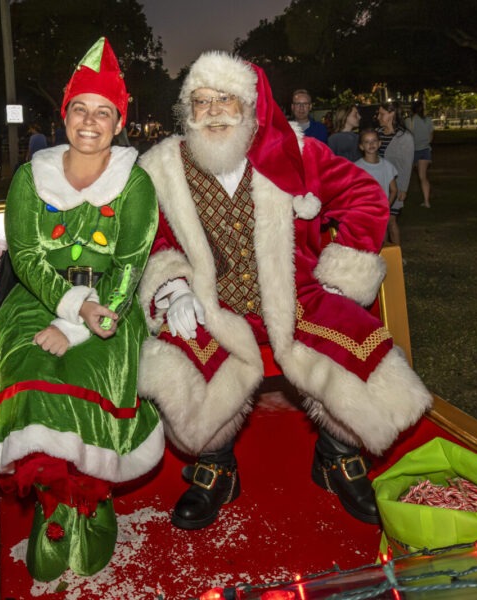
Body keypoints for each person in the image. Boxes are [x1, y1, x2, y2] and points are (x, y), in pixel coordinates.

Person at [137, 51, 430, 530]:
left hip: (296, 297)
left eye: (224, 99)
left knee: (357, 338)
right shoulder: (162, 169)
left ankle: (336, 456)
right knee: (179, 357)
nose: (212, 111)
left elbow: (364, 197)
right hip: (214, 304)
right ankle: (216, 468)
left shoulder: (295, 152)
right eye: (201, 101)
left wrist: (342, 270)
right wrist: (173, 286)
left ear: (249, 106)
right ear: (186, 113)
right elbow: (152, 237)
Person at [0, 37, 162, 583]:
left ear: (118, 121)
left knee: (88, 372)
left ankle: (92, 499)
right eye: (80, 109)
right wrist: (66, 309)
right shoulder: (31, 177)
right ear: (65, 116)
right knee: (33, 371)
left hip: (112, 305)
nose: (90, 121)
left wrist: (85, 324)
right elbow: (29, 257)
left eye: (103, 112)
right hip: (35, 299)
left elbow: (128, 266)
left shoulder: (136, 182)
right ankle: (54, 507)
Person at [355, 130, 400, 245]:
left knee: (382, 239)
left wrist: (386, 206)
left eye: (374, 141)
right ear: (361, 146)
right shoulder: (356, 167)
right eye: (367, 142)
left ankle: (384, 260)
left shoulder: (387, 166)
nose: (371, 144)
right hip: (363, 212)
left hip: (380, 213)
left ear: (380, 143)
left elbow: (394, 190)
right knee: (366, 240)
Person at [376, 101, 414, 220]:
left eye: (382, 114)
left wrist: (403, 189)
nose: (378, 117)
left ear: (392, 114)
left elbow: (407, 165)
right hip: (377, 185)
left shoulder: (405, 137)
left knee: (390, 222)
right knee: (380, 223)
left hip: (395, 186)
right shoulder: (376, 134)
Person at [408, 101, 434, 208]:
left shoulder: (409, 121)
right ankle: (427, 201)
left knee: (407, 175)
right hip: (425, 150)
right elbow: (431, 136)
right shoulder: (428, 120)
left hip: (414, 151)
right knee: (423, 177)